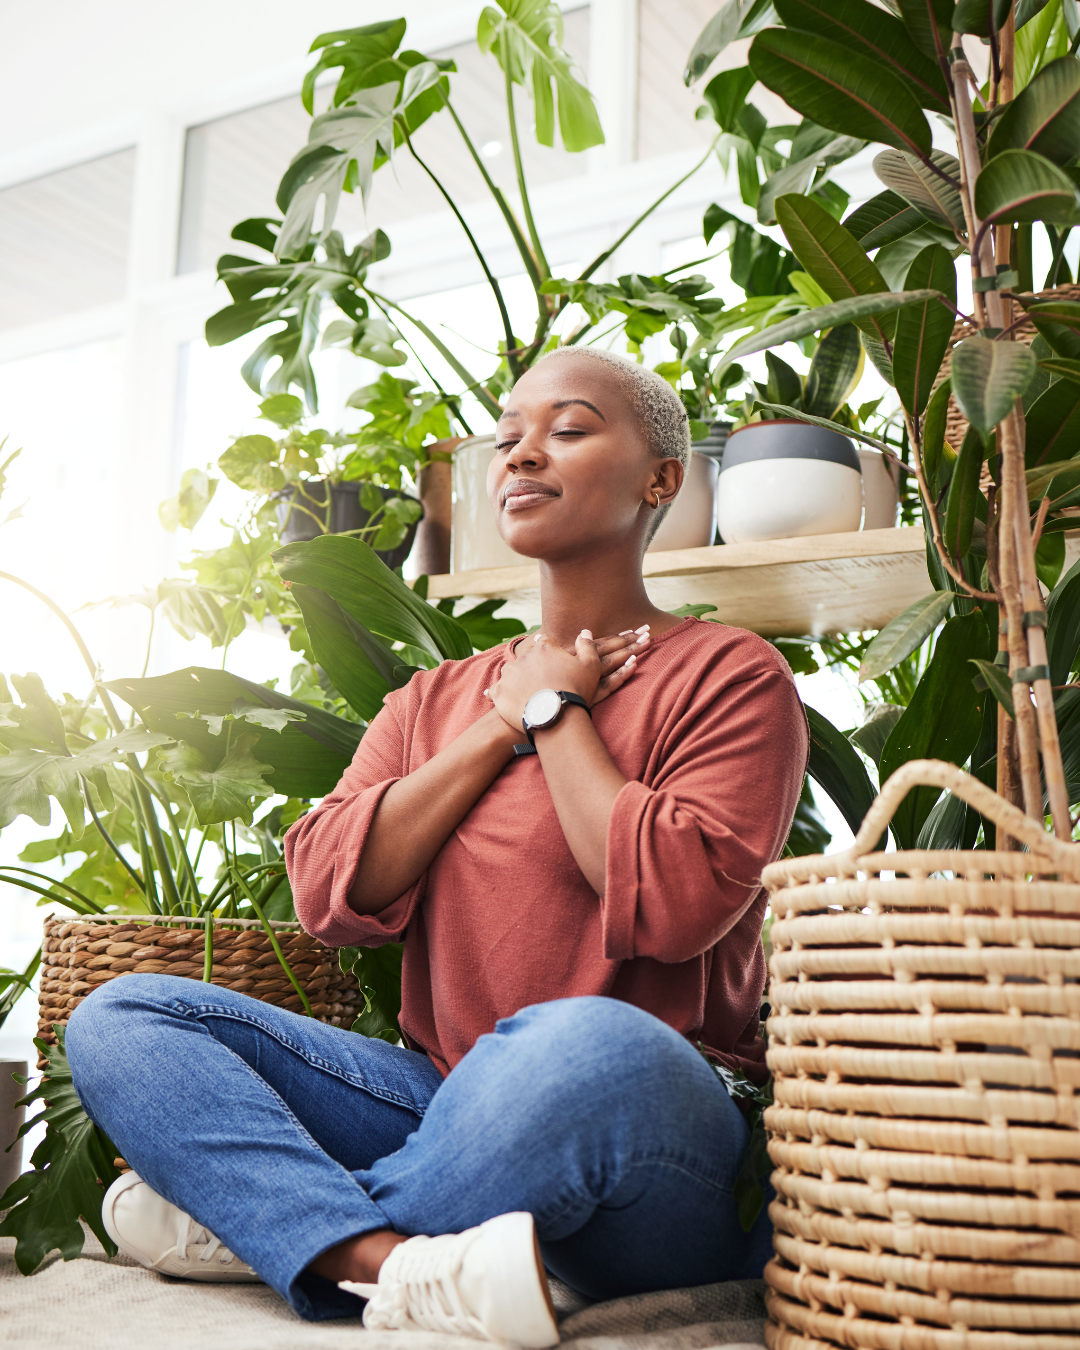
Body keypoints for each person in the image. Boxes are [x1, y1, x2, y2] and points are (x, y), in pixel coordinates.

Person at [67, 347, 807, 1346]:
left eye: (570, 429)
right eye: (507, 438)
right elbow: (328, 890)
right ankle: (386, 1264)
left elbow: (673, 907)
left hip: (645, 1125)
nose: (522, 455)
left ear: (661, 479)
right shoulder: (434, 703)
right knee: (125, 1014)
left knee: (588, 1043)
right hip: (440, 1102)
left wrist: (555, 711)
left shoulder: (730, 676)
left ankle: (272, 1227)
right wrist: (497, 725)